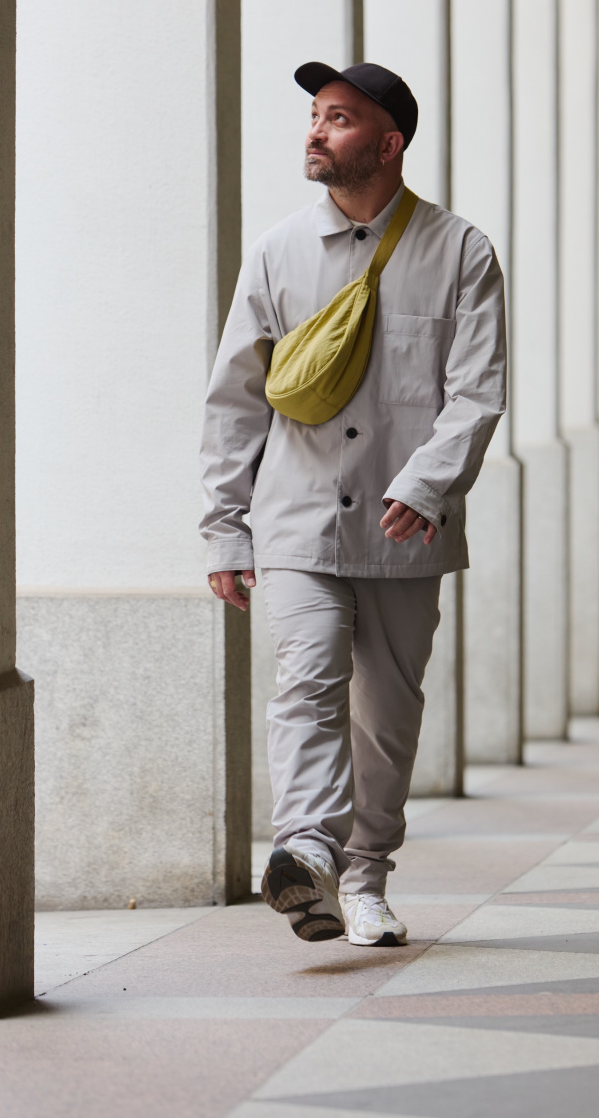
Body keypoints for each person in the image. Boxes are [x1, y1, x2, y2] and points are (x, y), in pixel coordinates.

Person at [200, 61, 506, 946]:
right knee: (306, 683)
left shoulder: (461, 252)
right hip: (297, 518)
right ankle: (306, 852)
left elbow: (476, 392)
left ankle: (365, 875)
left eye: (337, 118)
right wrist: (225, 523)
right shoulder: (278, 251)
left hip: (404, 525)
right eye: (314, 116)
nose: (315, 131)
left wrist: (428, 482)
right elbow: (235, 398)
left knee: (387, 712)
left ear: (388, 141)